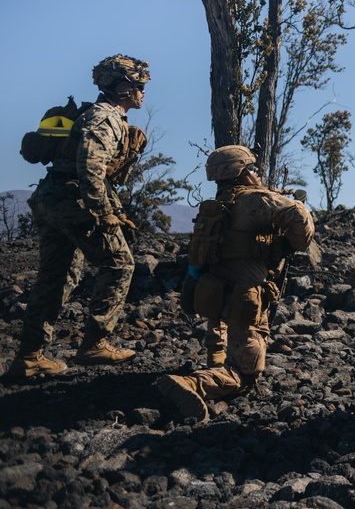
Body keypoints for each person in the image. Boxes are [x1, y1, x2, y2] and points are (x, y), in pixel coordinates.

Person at [6, 55, 151, 378]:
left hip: (51, 198)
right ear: (124, 88)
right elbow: (91, 164)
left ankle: (29, 356)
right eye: (139, 85)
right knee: (120, 264)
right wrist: (103, 212)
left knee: (57, 276)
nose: (143, 91)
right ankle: (95, 343)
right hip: (76, 200)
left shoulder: (93, 113)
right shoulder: (106, 117)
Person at [157, 145, 314, 423]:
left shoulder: (218, 206)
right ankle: (193, 384)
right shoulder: (254, 200)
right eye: (252, 168)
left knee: (230, 338)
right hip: (246, 298)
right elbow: (299, 214)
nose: (256, 173)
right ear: (241, 173)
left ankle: (216, 362)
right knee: (246, 375)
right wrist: (294, 243)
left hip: (219, 292)